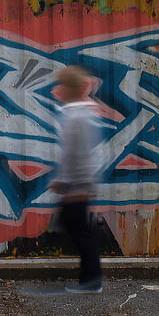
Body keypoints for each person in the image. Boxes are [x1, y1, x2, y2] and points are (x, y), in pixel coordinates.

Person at [50, 65, 103, 293]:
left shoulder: (76, 115)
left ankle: (91, 280)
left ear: (69, 88)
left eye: (61, 84)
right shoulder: (79, 112)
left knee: (78, 229)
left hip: (78, 184)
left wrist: (72, 183)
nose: (57, 89)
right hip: (78, 183)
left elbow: (77, 153)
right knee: (76, 227)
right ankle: (89, 278)